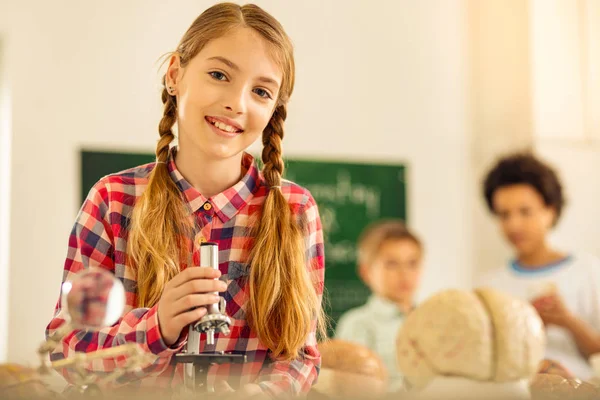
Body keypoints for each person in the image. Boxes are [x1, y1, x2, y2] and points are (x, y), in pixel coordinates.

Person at [45, 3, 326, 397]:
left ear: (274, 108)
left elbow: (300, 357)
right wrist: (156, 327)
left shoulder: (296, 210)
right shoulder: (113, 200)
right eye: (219, 75)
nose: (237, 103)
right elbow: (68, 348)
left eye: (260, 91)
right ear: (175, 74)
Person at [480, 152, 600, 380]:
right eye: (504, 215)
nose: (514, 225)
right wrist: (527, 326)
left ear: (550, 211)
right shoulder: (490, 285)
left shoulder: (589, 271)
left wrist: (568, 321)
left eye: (525, 212)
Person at [335, 220, 424, 391]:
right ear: (366, 271)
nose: (404, 273)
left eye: (412, 263)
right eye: (391, 264)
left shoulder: (430, 320)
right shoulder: (357, 323)